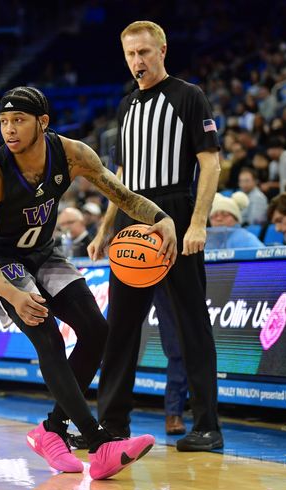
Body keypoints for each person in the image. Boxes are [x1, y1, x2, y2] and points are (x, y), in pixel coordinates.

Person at [0, 86, 174, 478]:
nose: (9, 130)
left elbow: (124, 196)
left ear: (43, 123)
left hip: (45, 252)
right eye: (4, 122)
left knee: (97, 332)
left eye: (19, 121)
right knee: (48, 336)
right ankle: (99, 444)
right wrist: (12, 294)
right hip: (3, 261)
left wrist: (160, 217)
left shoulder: (73, 153)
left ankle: (51, 430)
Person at [88, 20, 223, 451]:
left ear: (162, 50)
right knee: (121, 327)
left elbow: (211, 162)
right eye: (130, 54)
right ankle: (111, 424)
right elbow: (122, 177)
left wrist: (198, 221)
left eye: (145, 52)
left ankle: (207, 426)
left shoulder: (189, 96)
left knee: (190, 324)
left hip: (175, 213)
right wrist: (105, 227)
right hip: (132, 218)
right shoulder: (127, 106)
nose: (138, 61)